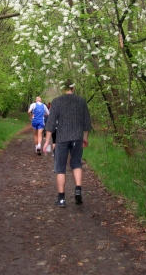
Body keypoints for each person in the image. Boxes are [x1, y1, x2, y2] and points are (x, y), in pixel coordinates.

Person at [43, 79, 91, 208]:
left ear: (63, 88)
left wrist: (47, 141)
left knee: (60, 168)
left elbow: (51, 124)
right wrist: (85, 138)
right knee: (76, 164)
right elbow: (87, 122)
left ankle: (62, 199)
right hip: (77, 137)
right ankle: (78, 190)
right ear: (73, 88)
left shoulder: (57, 101)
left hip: (62, 138)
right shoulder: (81, 101)